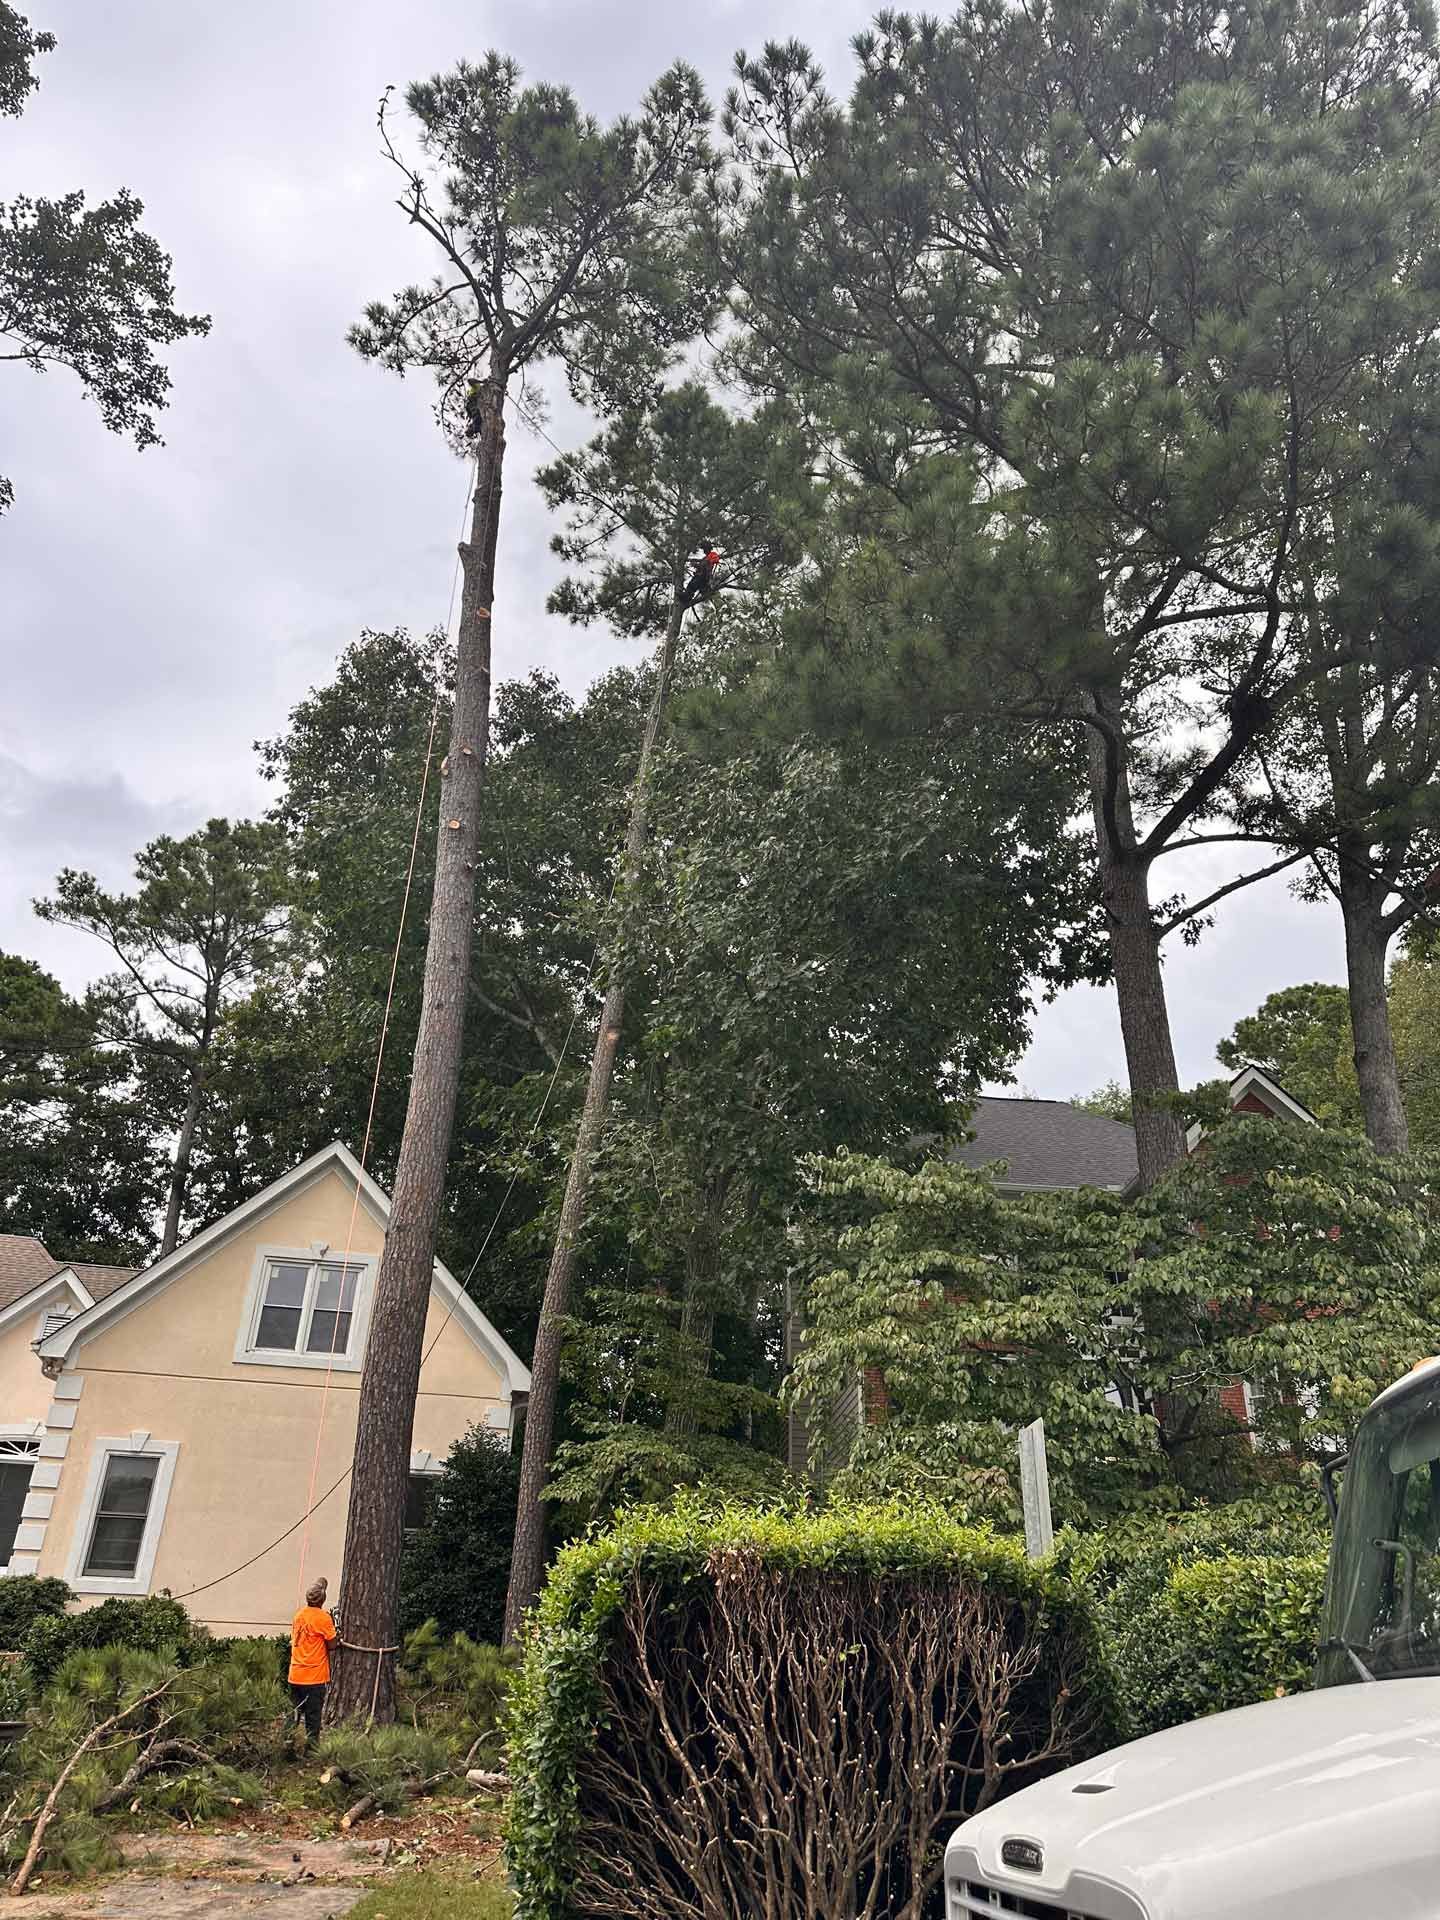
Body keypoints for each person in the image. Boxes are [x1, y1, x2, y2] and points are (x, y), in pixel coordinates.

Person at [289, 1577, 338, 1747]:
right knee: (313, 1716)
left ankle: (286, 1745)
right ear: (323, 1600)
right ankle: (311, 1751)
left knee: (293, 1714)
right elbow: (332, 1644)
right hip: (314, 1677)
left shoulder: (298, 1616)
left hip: (295, 1674)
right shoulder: (323, 1618)